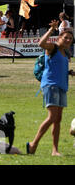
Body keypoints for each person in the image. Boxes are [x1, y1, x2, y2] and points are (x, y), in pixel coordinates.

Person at [27, 21, 74, 156]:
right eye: (65, 37)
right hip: (51, 85)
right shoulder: (52, 48)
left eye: (70, 39)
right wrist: (51, 29)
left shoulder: (65, 53)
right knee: (52, 117)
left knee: (57, 120)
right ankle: (33, 144)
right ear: (59, 38)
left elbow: (58, 68)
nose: (68, 40)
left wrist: (69, 72)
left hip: (62, 87)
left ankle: (55, 150)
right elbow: (41, 43)